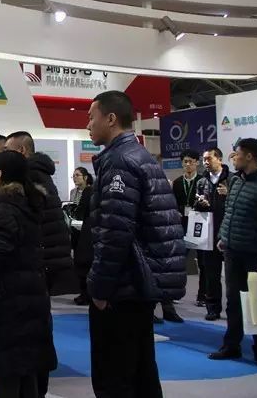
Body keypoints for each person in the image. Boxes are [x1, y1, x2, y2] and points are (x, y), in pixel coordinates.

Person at [86, 90, 186, 398]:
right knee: (141, 372)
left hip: (124, 287)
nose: (88, 125)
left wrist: (100, 289)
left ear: (110, 119)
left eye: (91, 117)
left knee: (116, 377)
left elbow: (115, 232)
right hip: (139, 284)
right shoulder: (139, 156)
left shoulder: (119, 162)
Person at [0, 150, 57, 398]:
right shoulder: (28, 204)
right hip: (30, 298)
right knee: (27, 375)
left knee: (9, 377)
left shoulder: (5, 210)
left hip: (10, 304)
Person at [209, 138, 257, 365]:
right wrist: (223, 237)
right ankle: (231, 345)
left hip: (254, 254)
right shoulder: (235, 181)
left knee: (256, 303)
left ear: (249, 156)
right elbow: (230, 211)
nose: (233, 157)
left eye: (237, 153)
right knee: (233, 301)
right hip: (232, 251)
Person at [5, 132, 76, 296]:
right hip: (50, 252)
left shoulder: (29, 175)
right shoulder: (40, 173)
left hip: (44, 255)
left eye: (8, 150)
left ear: (21, 150)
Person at [195, 147, 231, 321]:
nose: (206, 162)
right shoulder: (202, 182)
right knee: (211, 274)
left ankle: (234, 310)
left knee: (232, 277)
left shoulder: (232, 179)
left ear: (220, 159)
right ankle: (212, 308)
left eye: (209, 158)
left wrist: (228, 194)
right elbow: (196, 206)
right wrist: (199, 203)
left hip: (228, 233)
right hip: (208, 233)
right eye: (204, 159)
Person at [173, 149, 206, 309]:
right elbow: (173, 202)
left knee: (202, 262)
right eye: (185, 162)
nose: (187, 164)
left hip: (199, 223)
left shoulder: (202, 181)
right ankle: (175, 293)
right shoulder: (177, 182)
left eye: (190, 162)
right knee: (178, 260)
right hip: (182, 224)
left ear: (197, 163)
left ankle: (202, 295)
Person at [71, 168, 94, 306]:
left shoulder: (89, 191)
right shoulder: (73, 192)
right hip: (79, 229)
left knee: (84, 262)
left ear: (85, 177)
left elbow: (80, 212)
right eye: (73, 176)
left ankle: (86, 294)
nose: (75, 178)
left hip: (85, 230)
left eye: (77, 175)